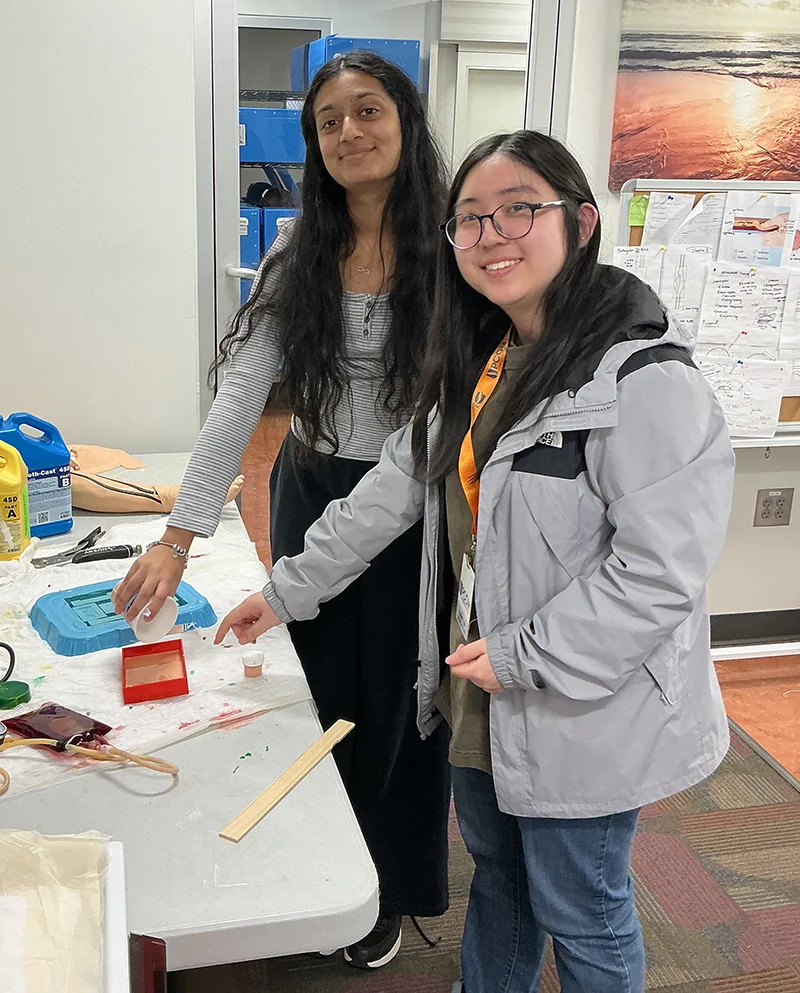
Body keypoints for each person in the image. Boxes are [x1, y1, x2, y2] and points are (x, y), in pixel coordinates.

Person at [215, 130, 736, 993]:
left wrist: (520, 655)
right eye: (470, 219)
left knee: (581, 905)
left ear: (580, 221)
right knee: (498, 879)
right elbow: (388, 491)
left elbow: (658, 576)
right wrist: (284, 592)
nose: (493, 234)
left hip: (581, 703)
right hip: (481, 687)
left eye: (519, 210)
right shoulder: (485, 362)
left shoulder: (644, 380)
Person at [113, 51, 451, 969]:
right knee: (314, 689)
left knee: (395, 701)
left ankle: (382, 889)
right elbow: (240, 392)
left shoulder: (454, 253)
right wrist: (178, 535)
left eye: (368, 111)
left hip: (410, 506)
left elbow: (426, 442)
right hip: (310, 485)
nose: (349, 132)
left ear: (405, 120)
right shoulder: (299, 252)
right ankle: (309, 869)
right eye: (329, 121)